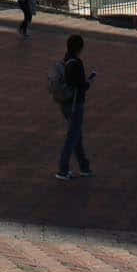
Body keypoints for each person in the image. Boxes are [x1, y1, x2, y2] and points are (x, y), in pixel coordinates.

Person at [56, 33, 95, 180]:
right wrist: (89, 82)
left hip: (65, 103)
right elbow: (81, 86)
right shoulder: (77, 63)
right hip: (75, 103)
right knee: (72, 136)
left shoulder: (66, 59)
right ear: (80, 48)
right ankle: (63, 169)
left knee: (76, 134)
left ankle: (84, 166)